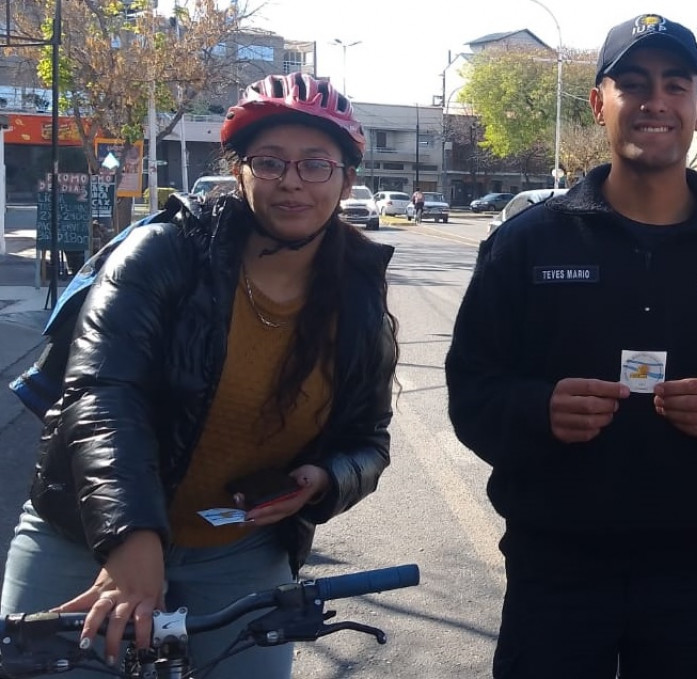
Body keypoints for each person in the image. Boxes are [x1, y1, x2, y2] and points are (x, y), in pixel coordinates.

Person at [445, 13, 697, 679]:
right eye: (634, 84)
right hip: (552, 570)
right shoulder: (528, 244)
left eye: (676, 85)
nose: (655, 102)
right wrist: (537, 410)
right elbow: (471, 388)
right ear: (599, 103)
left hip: (694, 574)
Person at [1, 71, 399, 679]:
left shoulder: (360, 295)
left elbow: (368, 440)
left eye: (316, 164)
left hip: (236, 551)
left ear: (347, 179)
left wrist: (323, 479)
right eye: (270, 162)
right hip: (85, 532)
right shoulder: (164, 253)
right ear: (238, 170)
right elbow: (104, 394)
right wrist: (132, 539)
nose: (292, 181)